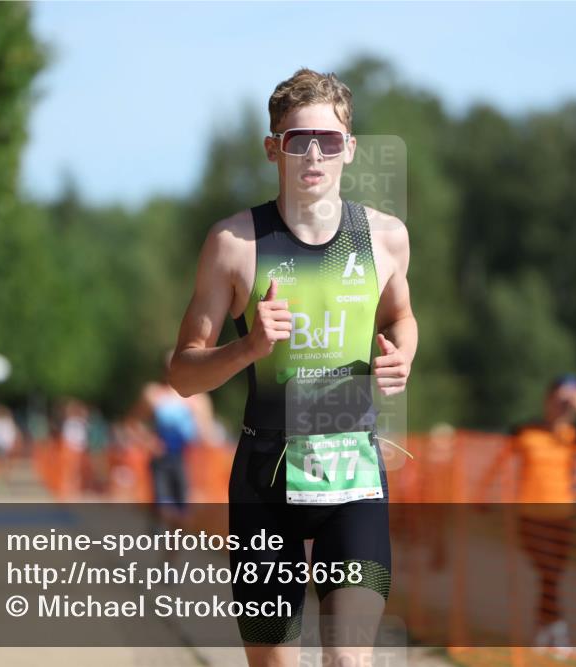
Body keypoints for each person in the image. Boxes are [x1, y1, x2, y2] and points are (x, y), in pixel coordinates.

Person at [168, 68, 416, 667]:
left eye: (328, 141)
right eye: (298, 139)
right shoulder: (233, 244)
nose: (313, 153)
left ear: (349, 150)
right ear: (272, 148)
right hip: (266, 479)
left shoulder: (384, 238)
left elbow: (402, 317)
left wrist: (403, 353)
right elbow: (182, 373)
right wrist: (247, 348)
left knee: (348, 660)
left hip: (354, 474)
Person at [479, 374, 576, 659]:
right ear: (548, 398)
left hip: (562, 517)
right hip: (530, 516)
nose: (563, 405)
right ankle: (558, 631)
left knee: (551, 576)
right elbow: (497, 462)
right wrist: (485, 493)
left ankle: (545, 631)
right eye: (560, 398)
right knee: (549, 574)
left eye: (569, 400)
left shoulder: (574, 434)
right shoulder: (525, 430)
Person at [141, 350, 216, 508]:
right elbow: (133, 423)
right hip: (162, 458)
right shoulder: (154, 394)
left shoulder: (199, 399)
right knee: (163, 508)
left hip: (187, 460)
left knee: (184, 511)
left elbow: (208, 435)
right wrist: (149, 441)